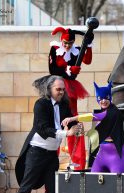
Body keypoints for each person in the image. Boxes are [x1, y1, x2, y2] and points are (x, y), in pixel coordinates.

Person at [15, 75, 80, 193]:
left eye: (63, 89)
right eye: (58, 89)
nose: (61, 92)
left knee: (52, 190)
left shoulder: (64, 105)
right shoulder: (41, 104)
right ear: (49, 89)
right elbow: (42, 129)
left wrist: (76, 126)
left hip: (52, 155)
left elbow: (71, 121)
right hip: (37, 152)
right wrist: (67, 133)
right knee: (25, 188)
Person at [49, 26, 94, 170]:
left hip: (71, 88)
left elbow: (87, 60)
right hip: (57, 84)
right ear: (62, 41)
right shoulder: (55, 49)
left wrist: (89, 45)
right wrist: (68, 69)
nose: (68, 46)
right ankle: (50, 160)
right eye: (66, 43)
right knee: (55, 119)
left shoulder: (77, 50)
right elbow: (53, 69)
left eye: (70, 43)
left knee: (73, 118)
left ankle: (78, 162)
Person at [62, 82, 124, 173]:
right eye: (100, 98)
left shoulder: (115, 113)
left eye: (106, 98)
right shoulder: (104, 112)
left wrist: (72, 118)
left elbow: (94, 116)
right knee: (93, 181)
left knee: (117, 184)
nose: (103, 101)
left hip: (116, 156)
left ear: (110, 98)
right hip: (102, 155)